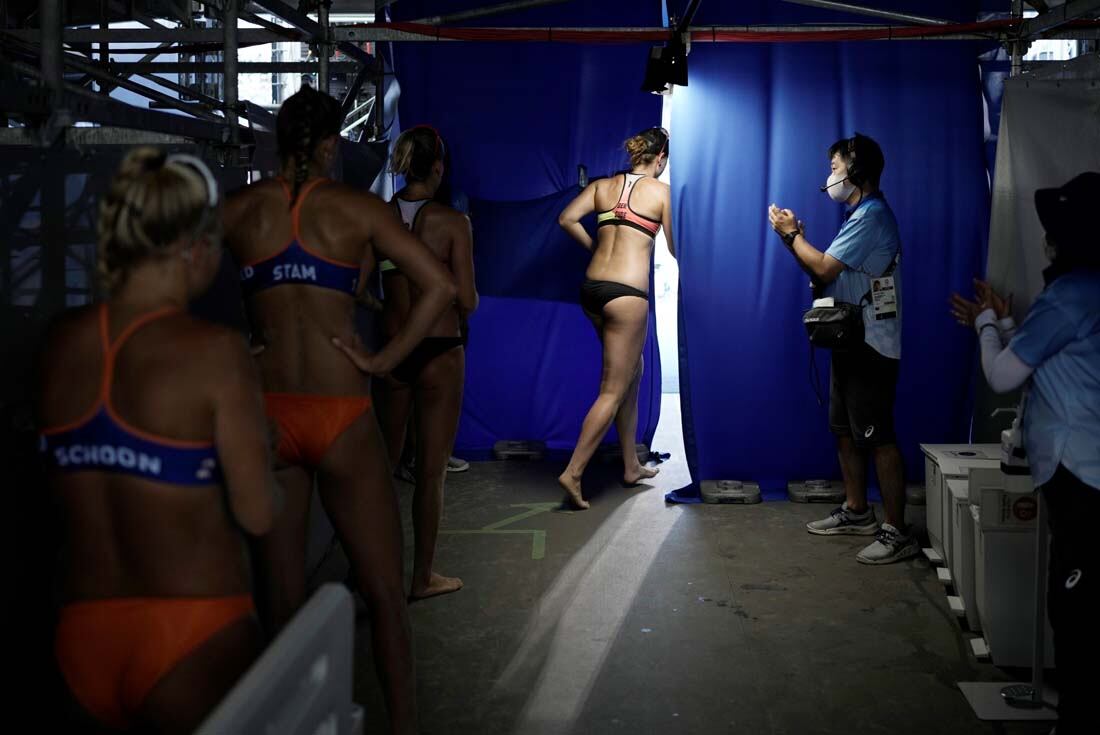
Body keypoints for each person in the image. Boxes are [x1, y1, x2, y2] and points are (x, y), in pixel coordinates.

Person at [223, 86, 455, 735]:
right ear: (330, 144)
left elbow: (167, 279)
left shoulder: (238, 209)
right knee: (383, 590)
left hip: (272, 413)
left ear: (278, 139)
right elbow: (438, 287)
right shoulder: (355, 209)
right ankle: (402, 724)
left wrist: (232, 346)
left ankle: (294, 722)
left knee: (281, 598)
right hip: (342, 410)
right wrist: (384, 361)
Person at [39, 148, 280, 733]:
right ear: (193, 249)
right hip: (192, 633)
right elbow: (258, 514)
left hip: (81, 637)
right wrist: (259, 433)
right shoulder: (214, 352)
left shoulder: (59, 344)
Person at [950, 172, 1100, 735]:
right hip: (1086, 470)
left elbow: (1005, 374)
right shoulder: (1084, 294)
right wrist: (1004, 322)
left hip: (1083, 475)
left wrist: (988, 325)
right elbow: (1056, 358)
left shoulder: (1072, 293)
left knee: (1078, 614)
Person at [768, 132, 916, 565]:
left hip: (872, 343)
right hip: (850, 339)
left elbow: (822, 265)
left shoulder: (872, 217)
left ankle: (897, 530)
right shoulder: (858, 218)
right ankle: (857, 510)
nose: (829, 176)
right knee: (845, 431)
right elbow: (822, 278)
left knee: (879, 438)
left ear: (857, 171)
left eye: (834, 168)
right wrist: (790, 239)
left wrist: (793, 235)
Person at [366, 125, 478, 601]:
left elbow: (357, 289)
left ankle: (372, 574)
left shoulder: (379, 218)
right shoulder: (454, 223)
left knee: (384, 470)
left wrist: (390, 313)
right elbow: (467, 300)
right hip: (439, 350)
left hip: (394, 349)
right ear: (438, 167)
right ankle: (421, 577)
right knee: (430, 474)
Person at [555, 127, 674, 509]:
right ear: (661, 159)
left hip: (592, 289)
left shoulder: (603, 186)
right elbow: (674, 247)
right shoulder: (661, 193)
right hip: (626, 296)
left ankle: (630, 465)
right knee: (613, 388)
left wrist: (597, 248)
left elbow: (566, 219)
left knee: (632, 372)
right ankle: (573, 473)